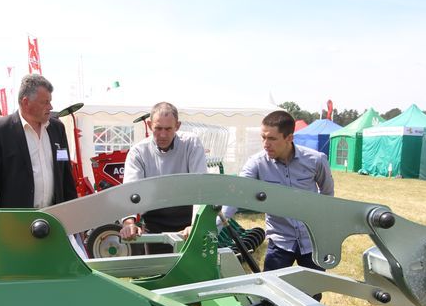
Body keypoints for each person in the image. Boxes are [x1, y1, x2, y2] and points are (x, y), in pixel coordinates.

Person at [223, 110, 334, 275]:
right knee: (271, 292)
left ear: (289, 138)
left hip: (312, 239)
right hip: (280, 240)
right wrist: (213, 225)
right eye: (263, 138)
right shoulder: (257, 163)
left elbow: (327, 195)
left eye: (272, 139)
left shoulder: (316, 160)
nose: (266, 144)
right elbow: (237, 195)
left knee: (313, 293)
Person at [0, 74, 76, 208]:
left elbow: (65, 175)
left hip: (53, 219)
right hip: (14, 223)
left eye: (50, 101)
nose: (50, 107)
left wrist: (74, 215)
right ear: (26, 102)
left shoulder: (57, 129)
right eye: (45, 102)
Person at [119, 102, 207, 253]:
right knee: (158, 271)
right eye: (158, 128)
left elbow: (200, 186)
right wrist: (128, 222)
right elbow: (130, 190)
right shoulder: (138, 152)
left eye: (168, 129)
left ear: (178, 126)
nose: (163, 135)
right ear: (148, 125)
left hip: (188, 219)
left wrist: (196, 225)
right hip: (154, 223)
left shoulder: (191, 144)